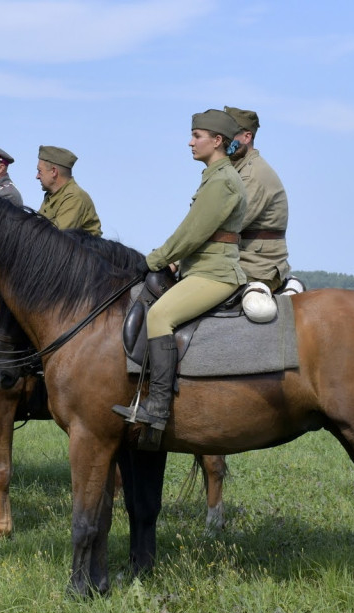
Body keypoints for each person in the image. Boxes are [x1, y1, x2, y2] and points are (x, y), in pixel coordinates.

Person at [112, 110, 247, 433]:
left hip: (215, 273)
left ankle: (157, 407)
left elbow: (192, 232)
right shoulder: (214, 177)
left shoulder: (223, 181)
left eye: (197, 136)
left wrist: (155, 260)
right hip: (200, 268)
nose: (190, 142)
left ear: (217, 141)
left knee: (160, 316)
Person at [223, 106, 292, 293]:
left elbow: (225, 227)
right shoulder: (238, 170)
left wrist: (177, 260)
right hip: (239, 259)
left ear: (246, 137)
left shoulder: (252, 175)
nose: (223, 139)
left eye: (229, 134)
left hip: (257, 266)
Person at [36, 145, 102, 235]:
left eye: (40, 171)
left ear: (54, 171)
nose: (37, 176)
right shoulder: (52, 195)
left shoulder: (74, 197)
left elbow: (56, 239)